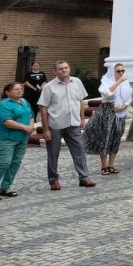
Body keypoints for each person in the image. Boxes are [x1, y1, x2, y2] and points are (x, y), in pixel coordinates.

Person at [39, 60, 96, 190]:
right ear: (55, 72)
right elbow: (43, 108)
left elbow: (81, 101)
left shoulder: (77, 82)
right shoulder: (49, 87)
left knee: (79, 151)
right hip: (55, 124)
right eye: (61, 69)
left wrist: (82, 119)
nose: (64, 70)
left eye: (66, 68)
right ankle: (53, 180)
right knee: (53, 154)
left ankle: (84, 177)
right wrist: (46, 129)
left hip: (74, 123)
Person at [0, 82, 35, 200]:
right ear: (7, 92)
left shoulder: (25, 102)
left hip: (22, 139)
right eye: (16, 89)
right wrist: (25, 128)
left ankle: (5, 187)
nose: (19, 91)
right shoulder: (4, 105)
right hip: (6, 139)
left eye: (20, 89)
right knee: (4, 162)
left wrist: (31, 127)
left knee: (15, 163)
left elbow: (31, 116)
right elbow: (7, 122)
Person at [87, 63, 132, 174]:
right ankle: (104, 166)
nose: (121, 73)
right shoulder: (105, 81)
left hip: (120, 113)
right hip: (107, 113)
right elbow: (106, 94)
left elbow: (131, 96)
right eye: (118, 71)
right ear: (113, 72)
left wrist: (125, 106)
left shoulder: (125, 82)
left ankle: (111, 165)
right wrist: (118, 82)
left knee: (116, 139)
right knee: (105, 139)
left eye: (123, 71)